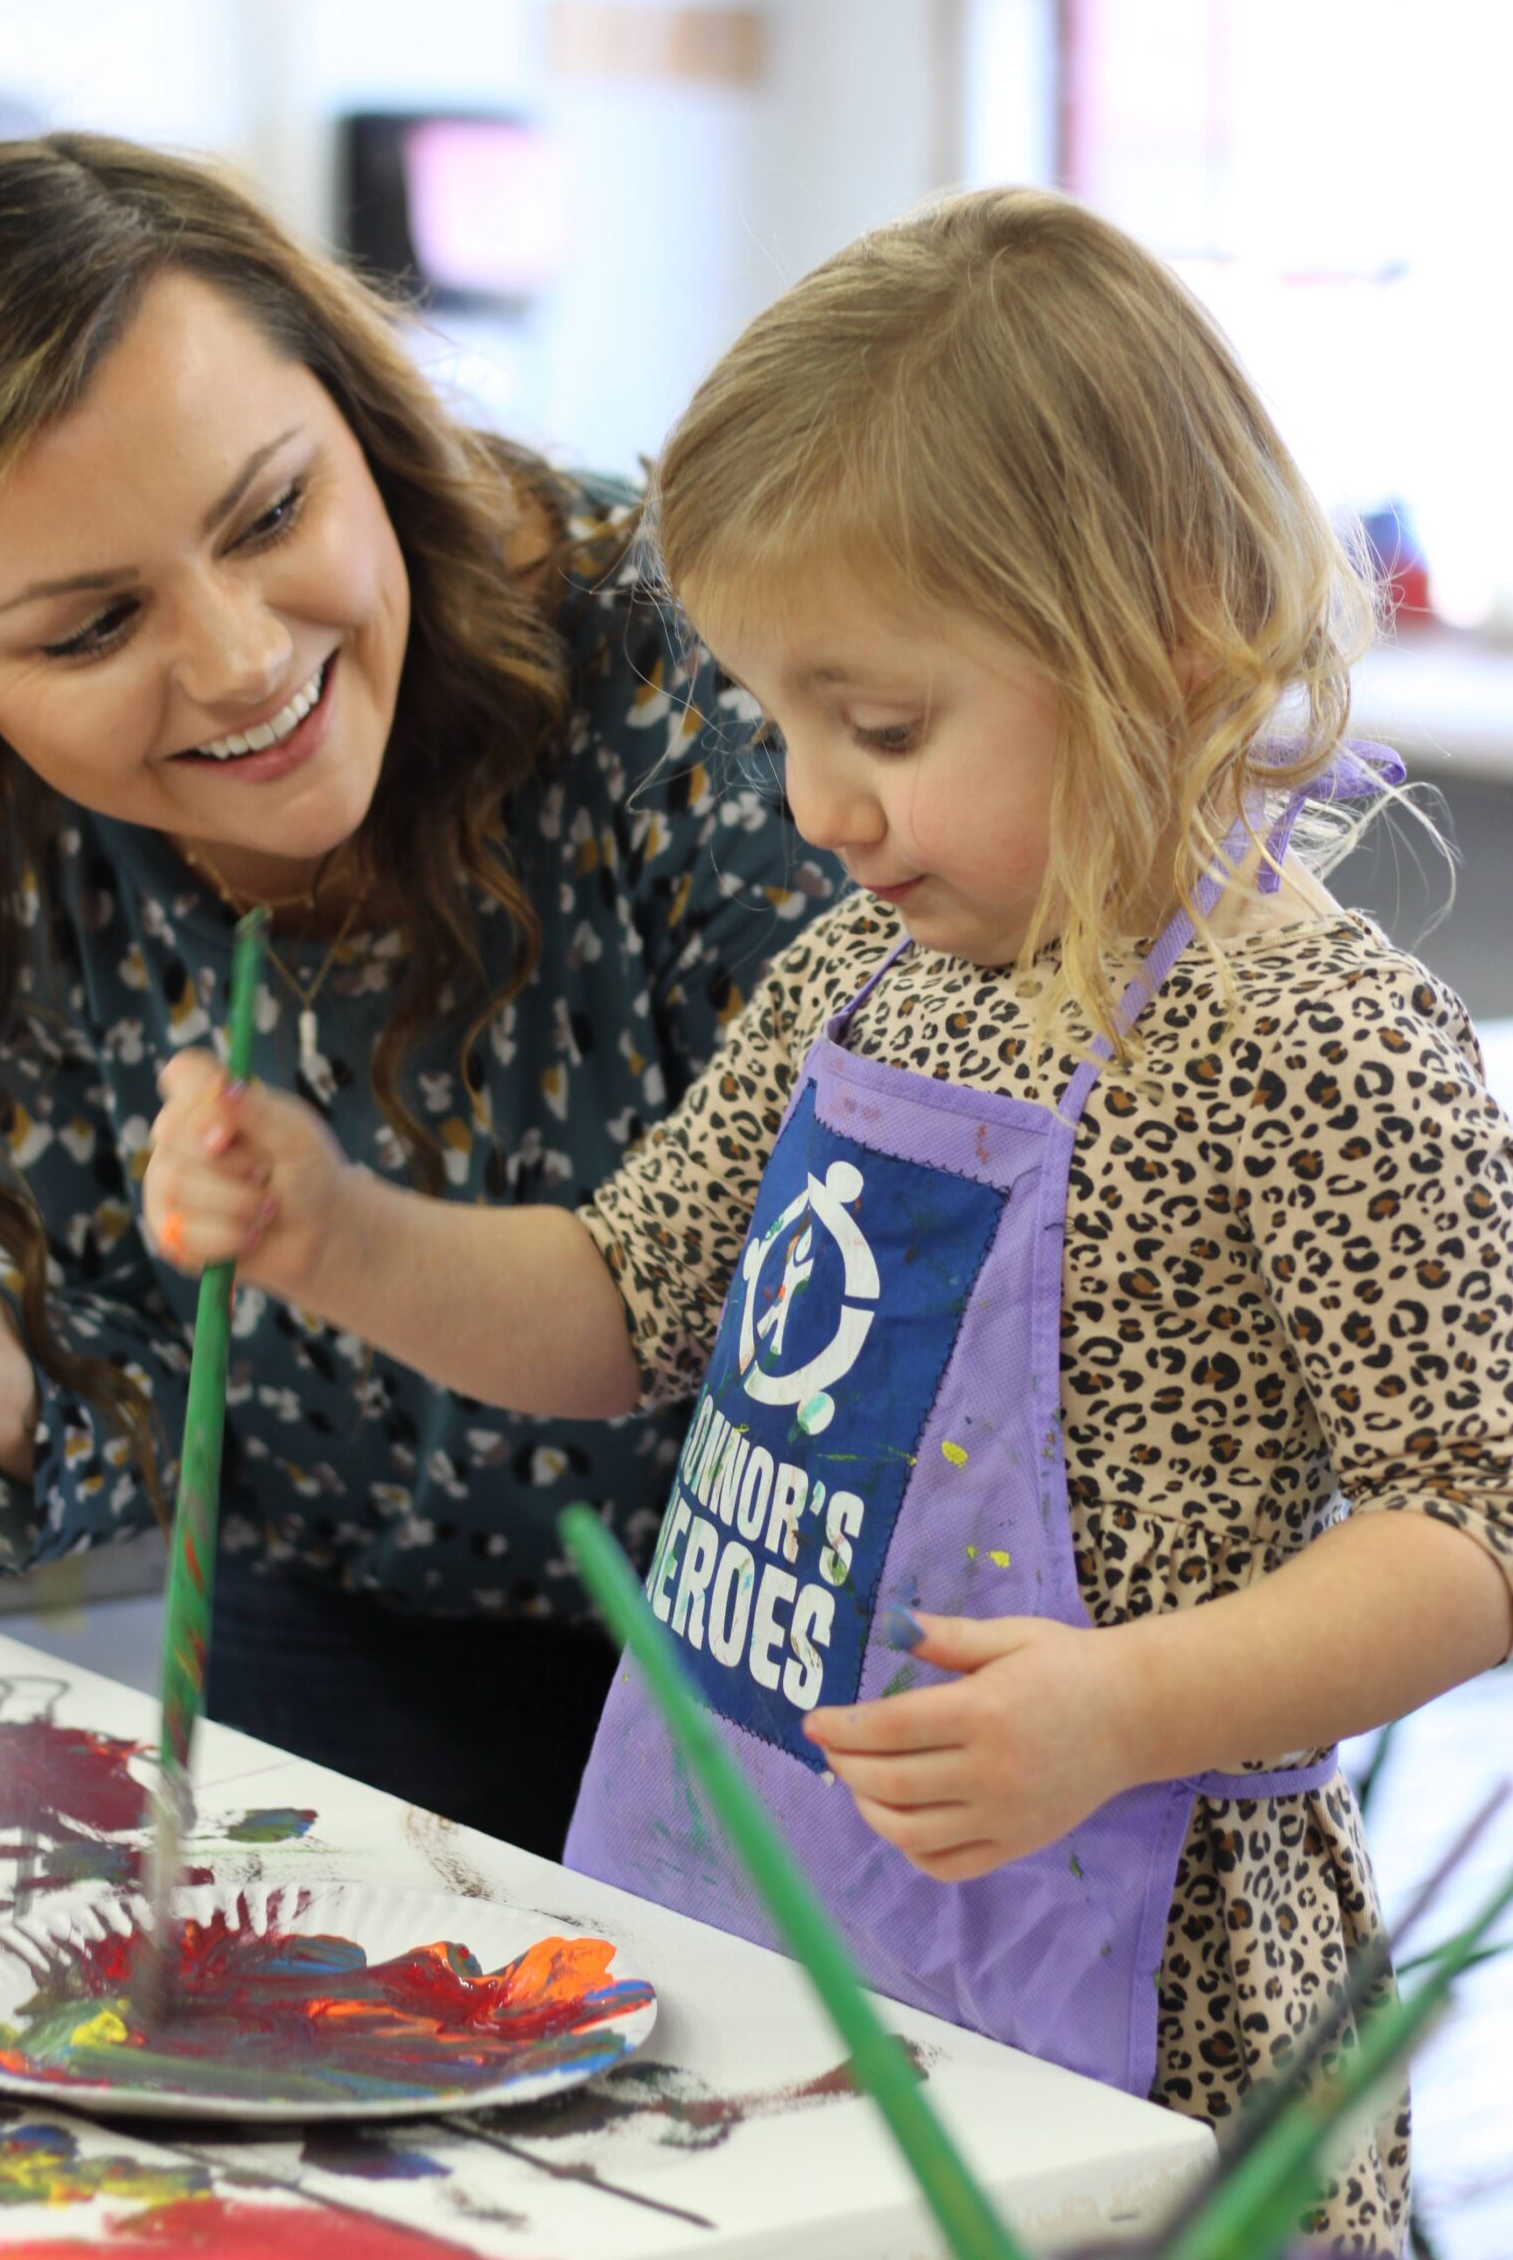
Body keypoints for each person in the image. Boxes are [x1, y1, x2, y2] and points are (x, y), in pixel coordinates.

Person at [144, 185, 1513, 2255]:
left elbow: (1478, 1515)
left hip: (1140, 2000)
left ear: (1158, 629)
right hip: (763, 1913)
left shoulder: (1307, 1041)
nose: (807, 799)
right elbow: (616, 1300)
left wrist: (1121, 1704)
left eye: (878, 727)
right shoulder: (856, 979)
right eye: (776, 717)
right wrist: (336, 1233)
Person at [0, 130, 840, 1858]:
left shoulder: (685, 669)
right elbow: (147, 1376)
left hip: (786, 1669)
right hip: (346, 1626)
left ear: (365, 417)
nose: (238, 659)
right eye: (86, 629)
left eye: (272, 511)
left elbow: (867, 1324)